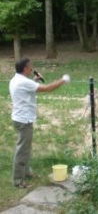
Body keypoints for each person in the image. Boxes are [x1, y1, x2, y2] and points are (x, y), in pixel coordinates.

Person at [9, 58, 71, 189]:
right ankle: (18, 180)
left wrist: (34, 81)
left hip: (19, 118)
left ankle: (26, 173)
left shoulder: (16, 79)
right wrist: (63, 80)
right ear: (25, 68)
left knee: (26, 148)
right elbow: (48, 88)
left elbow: (26, 89)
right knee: (22, 150)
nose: (32, 68)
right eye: (30, 66)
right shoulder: (24, 82)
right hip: (24, 120)